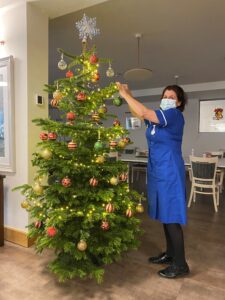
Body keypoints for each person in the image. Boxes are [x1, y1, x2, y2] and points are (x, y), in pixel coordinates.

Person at [116, 82, 189, 279]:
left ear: (179, 102)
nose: (167, 99)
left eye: (172, 97)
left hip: (170, 171)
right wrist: (130, 93)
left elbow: (145, 113)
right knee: (166, 215)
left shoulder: (173, 115)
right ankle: (171, 254)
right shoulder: (158, 119)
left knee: (171, 217)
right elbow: (140, 114)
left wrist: (124, 95)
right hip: (158, 170)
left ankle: (181, 264)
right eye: (165, 96)